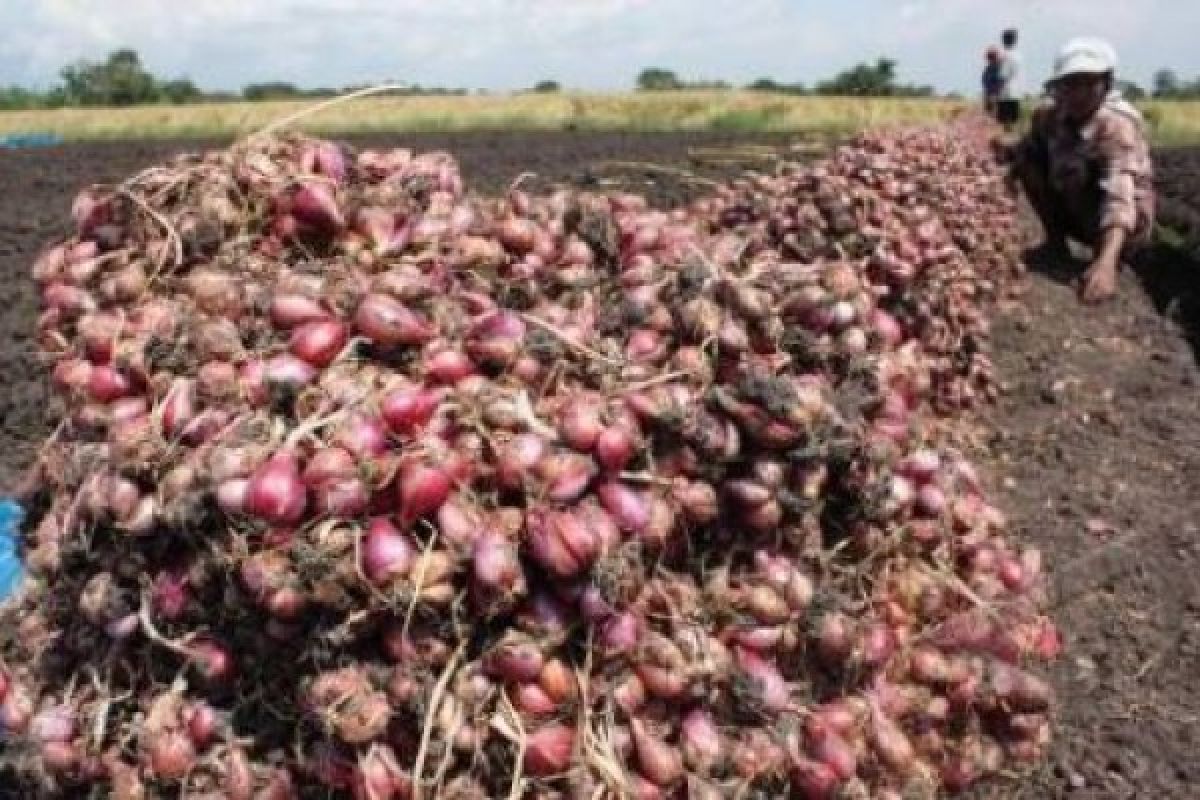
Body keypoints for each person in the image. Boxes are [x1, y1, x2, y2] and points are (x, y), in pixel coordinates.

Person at [1013, 37, 1156, 304]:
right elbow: (1022, 152)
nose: (1078, 93)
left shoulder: (1116, 127)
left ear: (1107, 85)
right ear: (1058, 87)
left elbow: (1119, 197)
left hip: (1123, 228)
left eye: (1089, 83)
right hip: (1078, 210)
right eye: (1070, 83)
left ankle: (1107, 256)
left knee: (1083, 171)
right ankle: (1055, 244)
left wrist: (1106, 265)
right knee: (1026, 159)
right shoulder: (1047, 117)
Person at [995, 28, 1022, 129]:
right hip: (1016, 93)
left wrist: (996, 93)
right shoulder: (1018, 56)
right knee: (1013, 123)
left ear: (1004, 40)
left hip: (1005, 94)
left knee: (1005, 125)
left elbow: (1003, 76)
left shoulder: (1005, 56)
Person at [982, 47, 1003, 116]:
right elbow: (985, 83)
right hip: (991, 97)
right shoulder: (988, 70)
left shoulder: (999, 68)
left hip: (998, 96)